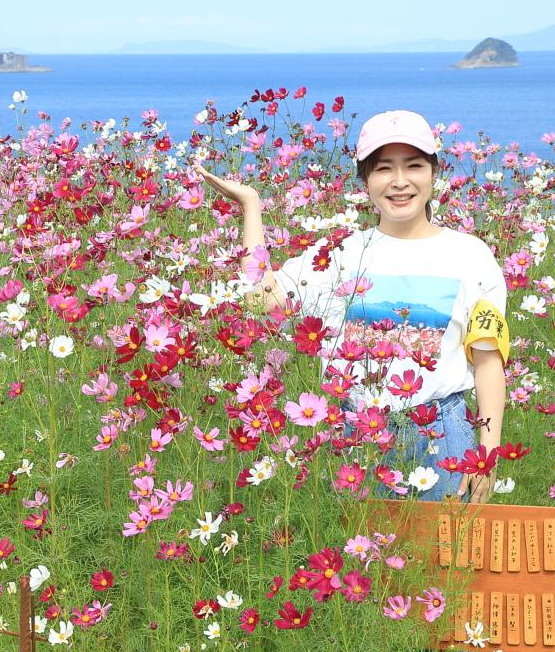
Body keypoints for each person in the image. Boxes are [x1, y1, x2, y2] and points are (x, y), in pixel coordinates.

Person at [197, 109, 507, 504]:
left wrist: (487, 453)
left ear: (433, 172)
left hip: (442, 437)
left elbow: (488, 360)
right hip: (354, 439)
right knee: (359, 560)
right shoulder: (339, 252)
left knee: (441, 562)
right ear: (365, 180)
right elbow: (261, 299)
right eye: (383, 169)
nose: (399, 182)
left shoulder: (470, 255)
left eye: (413, 166)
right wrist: (251, 206)